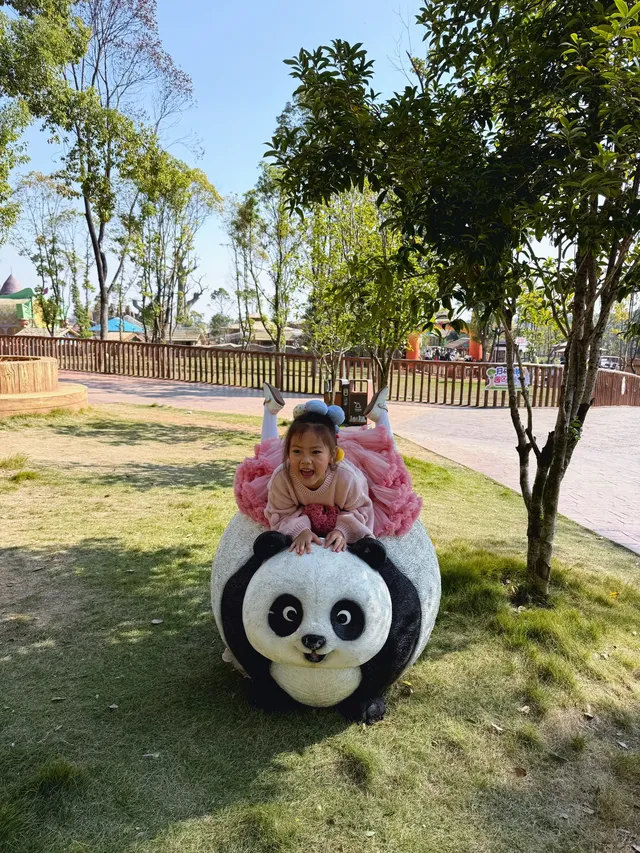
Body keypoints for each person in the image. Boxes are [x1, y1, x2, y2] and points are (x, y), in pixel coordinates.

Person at [264, 397, 375, 555]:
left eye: (315, 452)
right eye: (297, 451)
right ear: (288, 451)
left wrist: (342, 531)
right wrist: (300, 530)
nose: (305, 460)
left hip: (343, 510)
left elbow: (360, 509)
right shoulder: (283, 478)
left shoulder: (347, 479)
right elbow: (280, 512)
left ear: (332, 455)